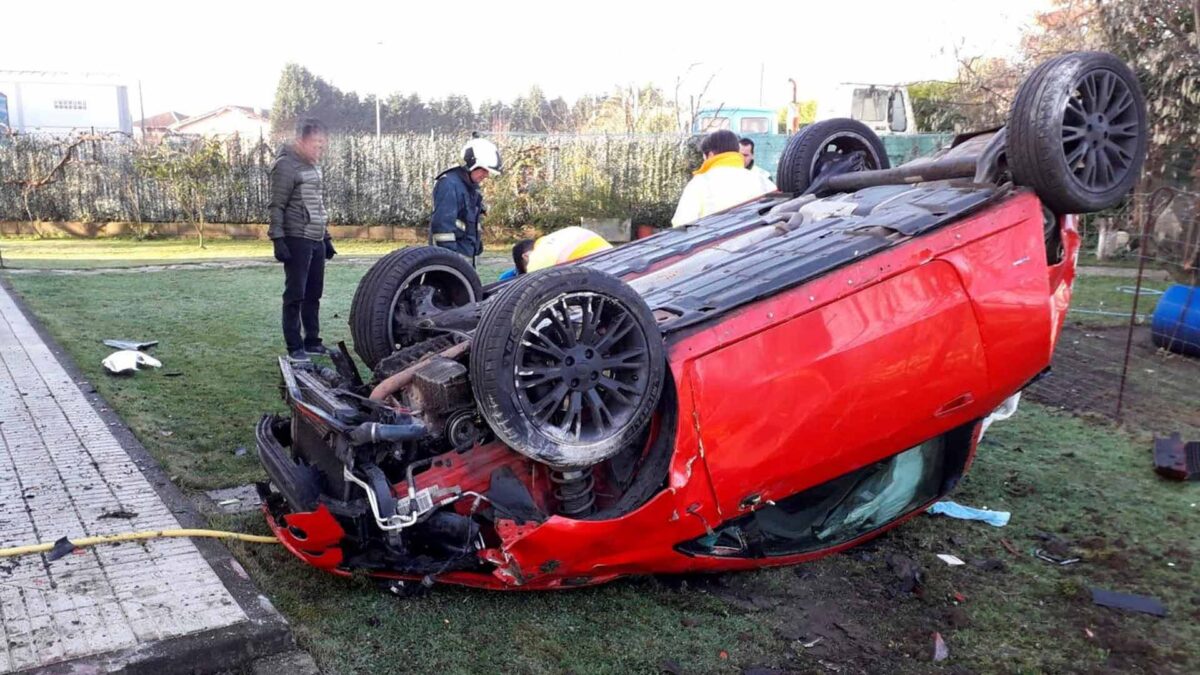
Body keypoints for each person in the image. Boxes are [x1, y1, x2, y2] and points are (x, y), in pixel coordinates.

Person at [269, 117, 333, 362]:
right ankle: (294, 347)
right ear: (300, 141)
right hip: (296, 238)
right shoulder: (285, 166)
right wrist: (278, 239)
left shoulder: (314, 166)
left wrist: (325, 237)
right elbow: (276, 206)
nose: (320, 147)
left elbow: (317, 204)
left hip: (315, 238)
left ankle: (312, 342)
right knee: (295, 294)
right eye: (315, 142)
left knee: (314, 293)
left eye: (322, 143)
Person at [672, 129, 777, 227]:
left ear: (710, 155)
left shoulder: (700, 183)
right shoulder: (762, 181)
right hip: (758, 244)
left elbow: (681, 225)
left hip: (712, 245)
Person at [430, 137, 502, 266]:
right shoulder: (449, 184)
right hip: (451, 263)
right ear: (471, 164)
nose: (486, 175)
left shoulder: (470, 188)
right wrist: (451, 261)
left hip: (464, 260)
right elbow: (442, 227)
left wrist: (477, 245)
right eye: (483, 170)